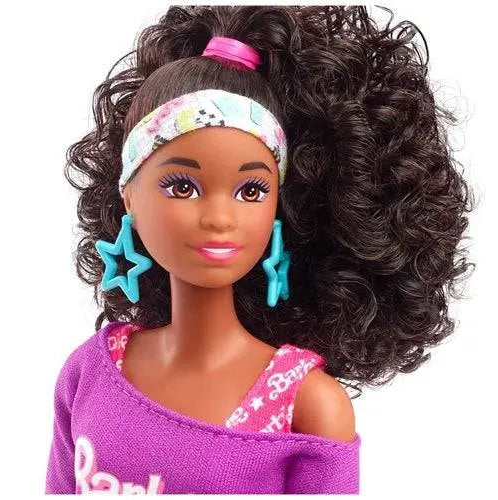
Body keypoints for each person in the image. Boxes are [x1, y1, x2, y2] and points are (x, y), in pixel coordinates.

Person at [45, 5, 474, 494]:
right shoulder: (90, 373)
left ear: (277, 209)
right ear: (128, 196)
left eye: (250, 191)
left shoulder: (306, 404)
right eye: (182, 186)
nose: (219, 218)